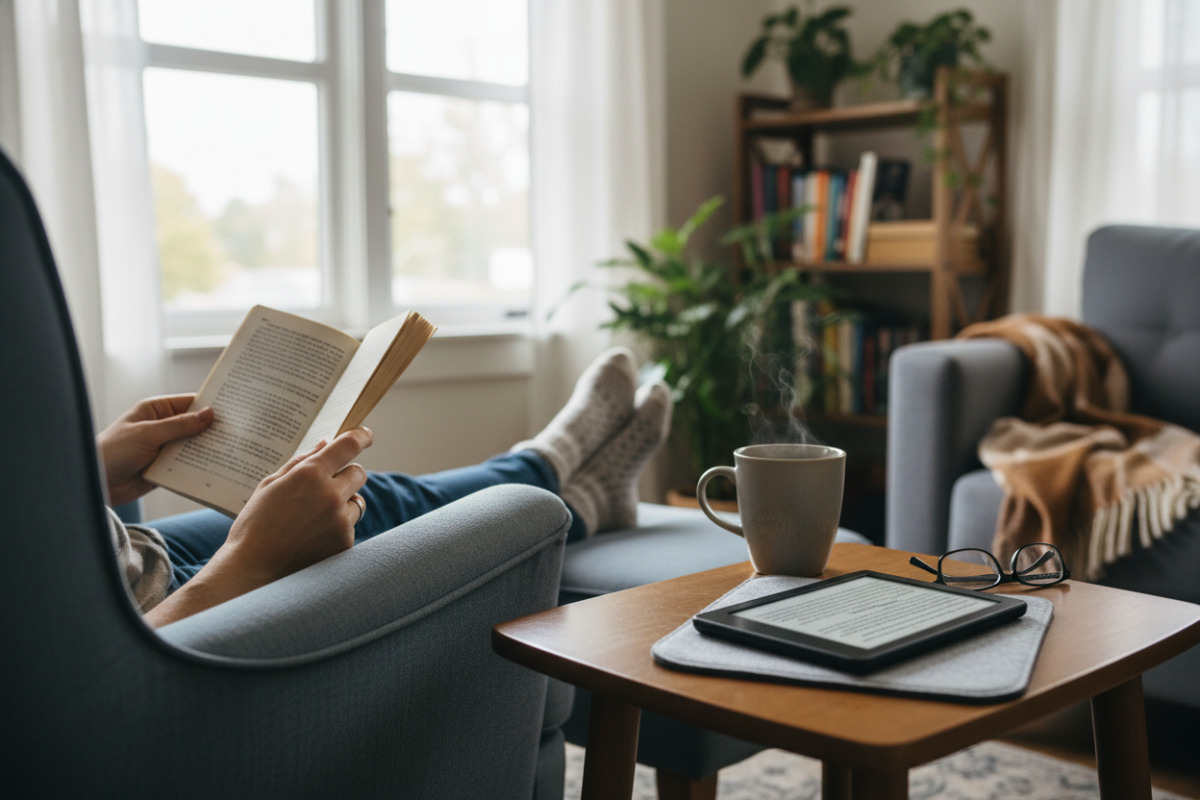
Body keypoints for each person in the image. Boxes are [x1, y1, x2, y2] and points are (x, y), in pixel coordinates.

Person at [98, 348, 671, 628]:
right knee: (363, 509)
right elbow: (103, 689)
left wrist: (88, 473)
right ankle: (575, 486)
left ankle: (565, 471)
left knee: (382, 495)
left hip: (128, 555)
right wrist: (251, 561)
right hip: (160, 619)